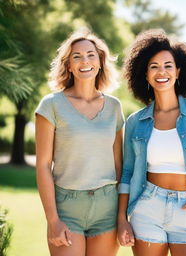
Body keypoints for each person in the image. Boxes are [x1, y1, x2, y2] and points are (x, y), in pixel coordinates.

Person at [117, 29, 186, 256]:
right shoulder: (135, 122)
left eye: (168, 65)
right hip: (146, 208)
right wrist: (122, 220)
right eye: (154, 66)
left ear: (178, 71)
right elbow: (127, 174)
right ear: (145, 74)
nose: (161, 72)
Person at [35, 28, 124, 256]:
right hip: (67, 207)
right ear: (69, 65)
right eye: (77, 56)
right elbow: (43, 165)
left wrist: (122, 216)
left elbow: (119, 165)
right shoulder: (51, 105)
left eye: (91, 55)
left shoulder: (114, 107)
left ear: (100, 62)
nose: (85, 60)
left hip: (107, 206)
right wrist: (53, 219)